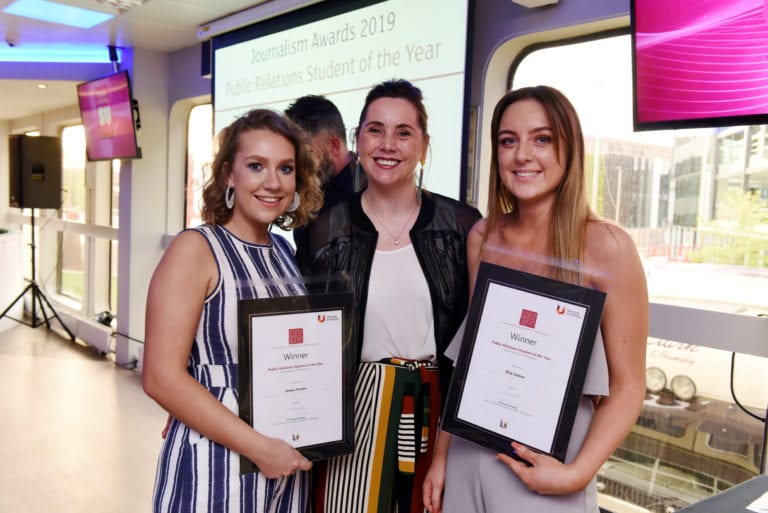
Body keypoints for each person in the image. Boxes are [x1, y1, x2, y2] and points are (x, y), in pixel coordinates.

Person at [422, 85, 649, 513]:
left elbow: (629, 385)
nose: (523, 155)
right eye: (509, 141)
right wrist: (441, 456)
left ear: (570, 148)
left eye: (541, 139)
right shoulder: (484, 237)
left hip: (549, 469)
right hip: (469, 456)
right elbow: (474, 362)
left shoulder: (607, 246)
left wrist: (575, 474)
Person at [296, 79, 482, 513]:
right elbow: (299, 336)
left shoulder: (462, 226)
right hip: (352, 409)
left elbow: (478, 343)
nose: (388, 144)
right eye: (376, 130)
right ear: (356, 140)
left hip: (438, 413)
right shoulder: (323, 230)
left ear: (424, 144)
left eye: (404, 132)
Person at [143, 109, 323, 513]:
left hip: (282, 461)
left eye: (285, 168)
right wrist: (259, 448)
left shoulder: (285, 254)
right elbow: (160, 377)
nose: (272, 182)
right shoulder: (195, 249)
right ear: (228, 174)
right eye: (256, 166)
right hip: (216, 464)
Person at [285, 94, 359, 243]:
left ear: (334, 146)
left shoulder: (372, 192)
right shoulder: (303, 190)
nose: (296, 162)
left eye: (305, 151)